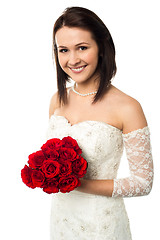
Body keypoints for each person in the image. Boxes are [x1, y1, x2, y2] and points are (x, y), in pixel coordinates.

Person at [46, 6, 154, 240]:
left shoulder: (127, 107)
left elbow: (143, 183)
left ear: (102, 47)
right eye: (63, 50)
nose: (72, 59)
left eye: (82, 48)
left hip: (101, 225)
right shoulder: (57, 100)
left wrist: (77, 183)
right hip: (61, 220)